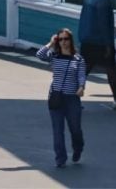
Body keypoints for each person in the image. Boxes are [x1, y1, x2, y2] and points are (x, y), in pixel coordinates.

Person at [37, 28, 87, 167]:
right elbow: (39, 54)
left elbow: (81, 75)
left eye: (66, 39)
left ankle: (78, 148)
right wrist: (50, 43)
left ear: (71, 40)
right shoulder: (54, 55)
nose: (63, 42)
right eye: (60, 39)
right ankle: (60, 157)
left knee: (75, 128)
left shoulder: (78, 59)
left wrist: (81, 87)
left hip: (72, 98)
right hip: (56, 96)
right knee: (58, 130)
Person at [79, 0, 116, 108]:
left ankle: (72, 97)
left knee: (83, 70)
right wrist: (109, 45)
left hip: (87, 38)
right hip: (100, 41)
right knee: (111, 70)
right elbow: (104, 24)